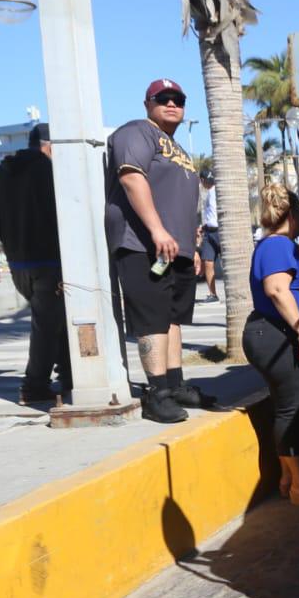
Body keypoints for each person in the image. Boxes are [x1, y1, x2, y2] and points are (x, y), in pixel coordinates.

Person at [106, 79, 212, 423]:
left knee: (173, 318)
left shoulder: (177, 147)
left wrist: (191, 247)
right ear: (147, 102)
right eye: (162, 98)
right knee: (152, 318)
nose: (171, 103)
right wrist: (156, 230)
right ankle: (157, 393)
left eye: (178, 99)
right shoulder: (137, 131)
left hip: (176, 248)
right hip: (142, 245)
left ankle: (175, 384)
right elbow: (131, 177)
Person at [243, 183, 299, 508]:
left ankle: (289, 477)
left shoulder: (281, 246)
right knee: (293, 408)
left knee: (287, 405)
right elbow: (277, 289)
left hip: (275, 333)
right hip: (277, 333)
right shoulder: (277, 245)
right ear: (292, 213)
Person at [0, 124, 71, 404]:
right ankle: (34, 385)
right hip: (51, 261)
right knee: (47, 325)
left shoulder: (2, 171)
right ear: (50, 146)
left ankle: (68, 373)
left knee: (56, 321)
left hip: (19, 266)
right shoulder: (51, 171)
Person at [196, 170, 220, 303]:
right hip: (209, 232)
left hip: (219, 231)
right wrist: (203, 226)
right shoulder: (209, 193)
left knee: (223, 262)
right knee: (208, 262)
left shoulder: (218, 191)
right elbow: (211, 215)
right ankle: (213, 294)